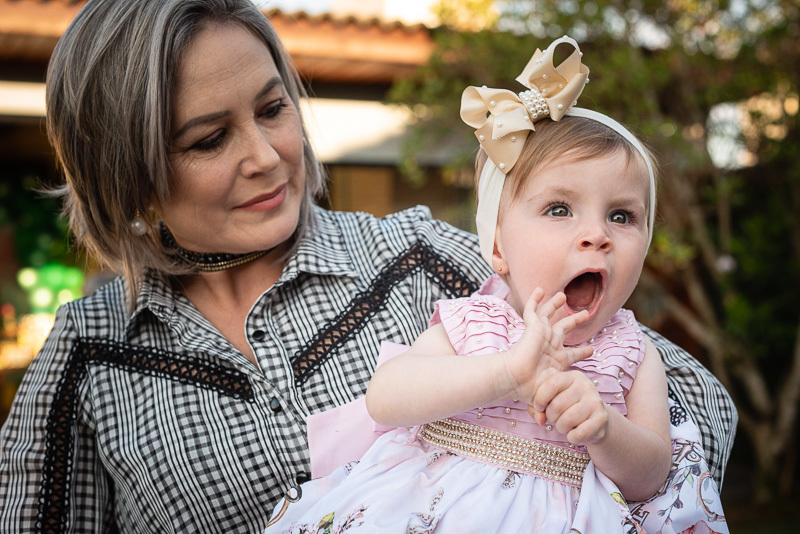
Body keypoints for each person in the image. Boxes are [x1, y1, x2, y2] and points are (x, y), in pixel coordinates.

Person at [0, 0, 733, 532]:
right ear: (125, 173)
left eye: (272, 108)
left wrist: (550, 467)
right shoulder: (87, 358)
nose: (265, 156)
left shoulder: (417, 258)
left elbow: (697, 409)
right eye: (208, 139)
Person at [264, 37, 729, 533]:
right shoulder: (476, 323)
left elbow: (653, 476)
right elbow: (387, 397)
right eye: (559, 209)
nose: (597, 235)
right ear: (499, 249)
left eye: (622, 215)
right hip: (437, 508)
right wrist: (508, 370)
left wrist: (606, 430)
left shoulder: (633, 352)